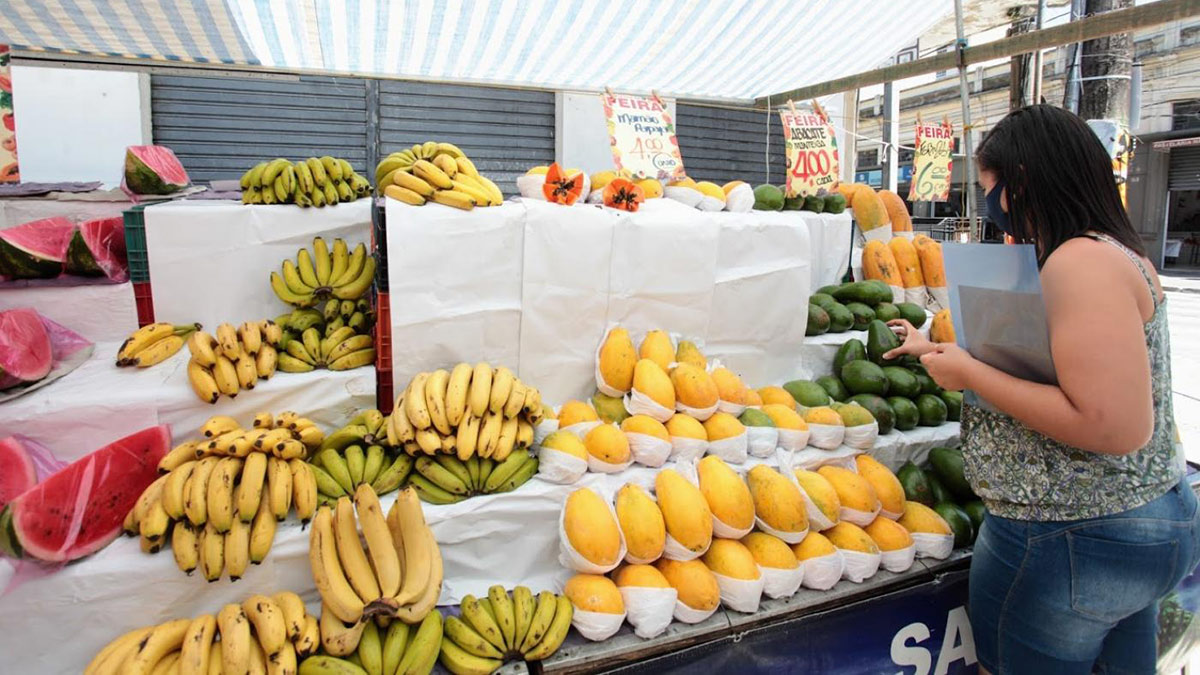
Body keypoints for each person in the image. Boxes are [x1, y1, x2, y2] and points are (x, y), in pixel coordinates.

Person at [885, 104, 1200, 674]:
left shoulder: (1080, 263)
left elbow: (1113, 424)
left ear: (1022, 181)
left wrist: (970, 374)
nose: (992, 206)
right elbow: (1062, 373)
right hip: (1131, 523)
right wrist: (940, 354)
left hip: (1072, 534)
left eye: (991, 189)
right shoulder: (1111, 251)